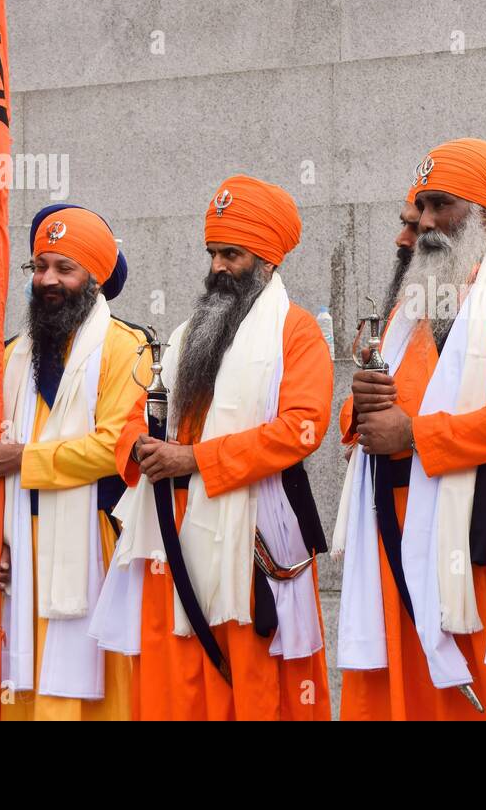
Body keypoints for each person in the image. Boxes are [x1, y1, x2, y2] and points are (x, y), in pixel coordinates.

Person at [96, 174, 334, 720]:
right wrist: (138, 447)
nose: (219, 267)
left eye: (233, 254)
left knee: (252, 686)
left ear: (268, 261)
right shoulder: (186, 335)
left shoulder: (296, 333)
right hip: (172, 543)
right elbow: (140, 412)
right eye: (213, 254)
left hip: (253, 545)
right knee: (174, 688)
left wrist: (196, 460)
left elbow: (303, 427)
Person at [332, 138, 486, 719]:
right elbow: (361, 417)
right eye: (419, 210)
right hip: (390, 521)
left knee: (466, 685)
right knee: (395, 687)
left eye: (439, 207)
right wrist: (360, 409)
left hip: (469, 528)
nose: (425, 223)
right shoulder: (413, 303)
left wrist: (415, 436)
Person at [0, 204, 144, 721]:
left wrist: (27, 459)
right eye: (39, 266)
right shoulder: (11, 359)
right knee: (18, 699)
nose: (48, 279)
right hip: (17, 554)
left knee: (98, 702)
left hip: (94, 549)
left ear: (94, 279)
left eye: (64, 269)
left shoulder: (127, 350)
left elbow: (115, 444)